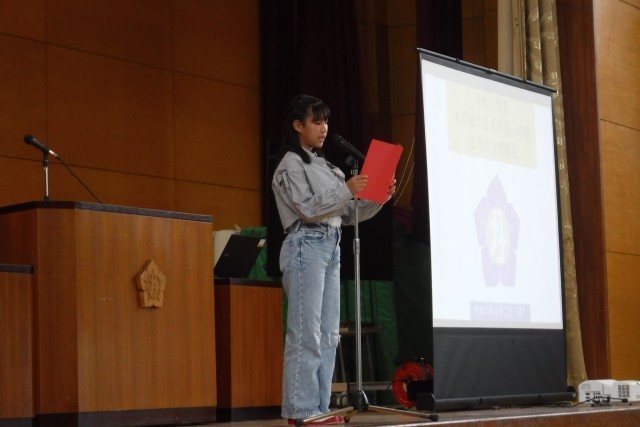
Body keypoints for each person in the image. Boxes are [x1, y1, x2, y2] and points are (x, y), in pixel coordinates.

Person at [271, 94, 396, 425]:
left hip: (332, 244)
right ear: (298, 125)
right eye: (317, 121)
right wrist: (347, 189)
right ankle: (301, 411)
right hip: (305, 244)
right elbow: (307, 208)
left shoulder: (328, 167)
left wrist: (379, 197)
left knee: (328, 334)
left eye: (326, 121)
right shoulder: (290, 164)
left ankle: (319, 407)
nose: (324, 128)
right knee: (306, 332)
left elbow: (349, 213)